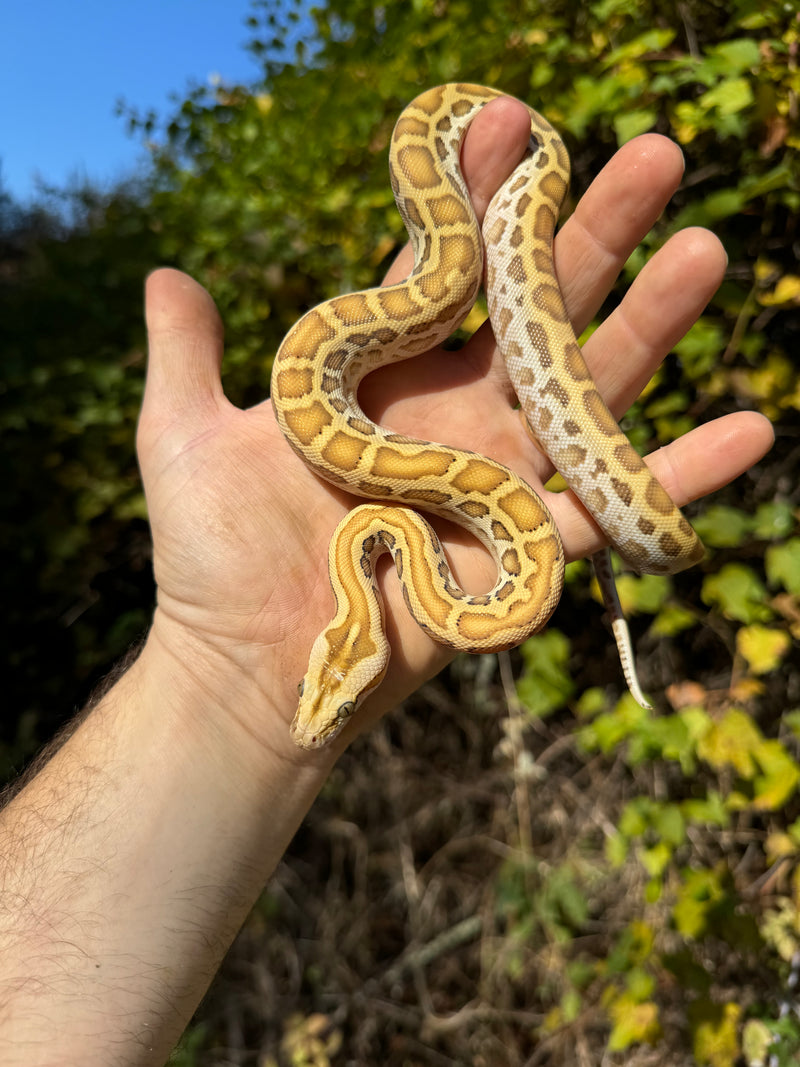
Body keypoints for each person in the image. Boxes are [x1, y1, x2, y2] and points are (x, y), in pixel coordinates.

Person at [0, 96, 774, 1065]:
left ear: (345, 633)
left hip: (464, 168)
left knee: (499, 278)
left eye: (325, 681)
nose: (319, 704)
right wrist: (216, 681)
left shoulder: (390, 543)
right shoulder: (393, 549)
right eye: (334, 686)